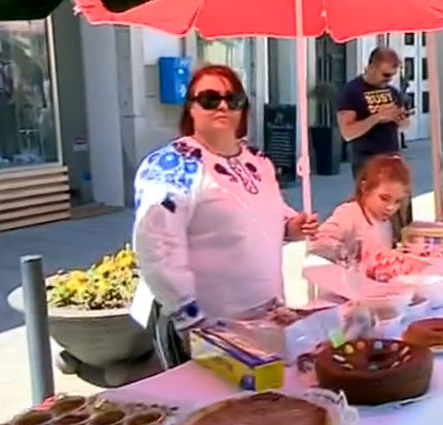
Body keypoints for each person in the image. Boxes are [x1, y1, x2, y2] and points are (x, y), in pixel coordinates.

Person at [131, 64, 318, 368]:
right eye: (210, 99)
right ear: (191, 107)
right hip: (210, 328)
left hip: (269, 316)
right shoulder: (172, 166)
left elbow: (266, 208)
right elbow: (157, 246)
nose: (222, 106)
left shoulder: (257, 160)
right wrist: (189, 318)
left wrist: (289, 225)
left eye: (233, 100)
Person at [309, 155, 411, 260]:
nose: (391, 207)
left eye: (397, 201)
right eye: (384, 198)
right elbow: (319, 243)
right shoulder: (349, 214)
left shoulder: (386, 222)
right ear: (365, 188)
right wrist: (347, 255)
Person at [337, 47, 410, 181]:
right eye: (385, 75)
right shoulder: (352, 91)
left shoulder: (392, 92)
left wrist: (402, 120)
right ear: (371, 68)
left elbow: (403, 126)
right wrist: (376, 117)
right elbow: (347, 132)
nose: (388, 80)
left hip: (393, 160)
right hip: (367, 162)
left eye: (392, 75)